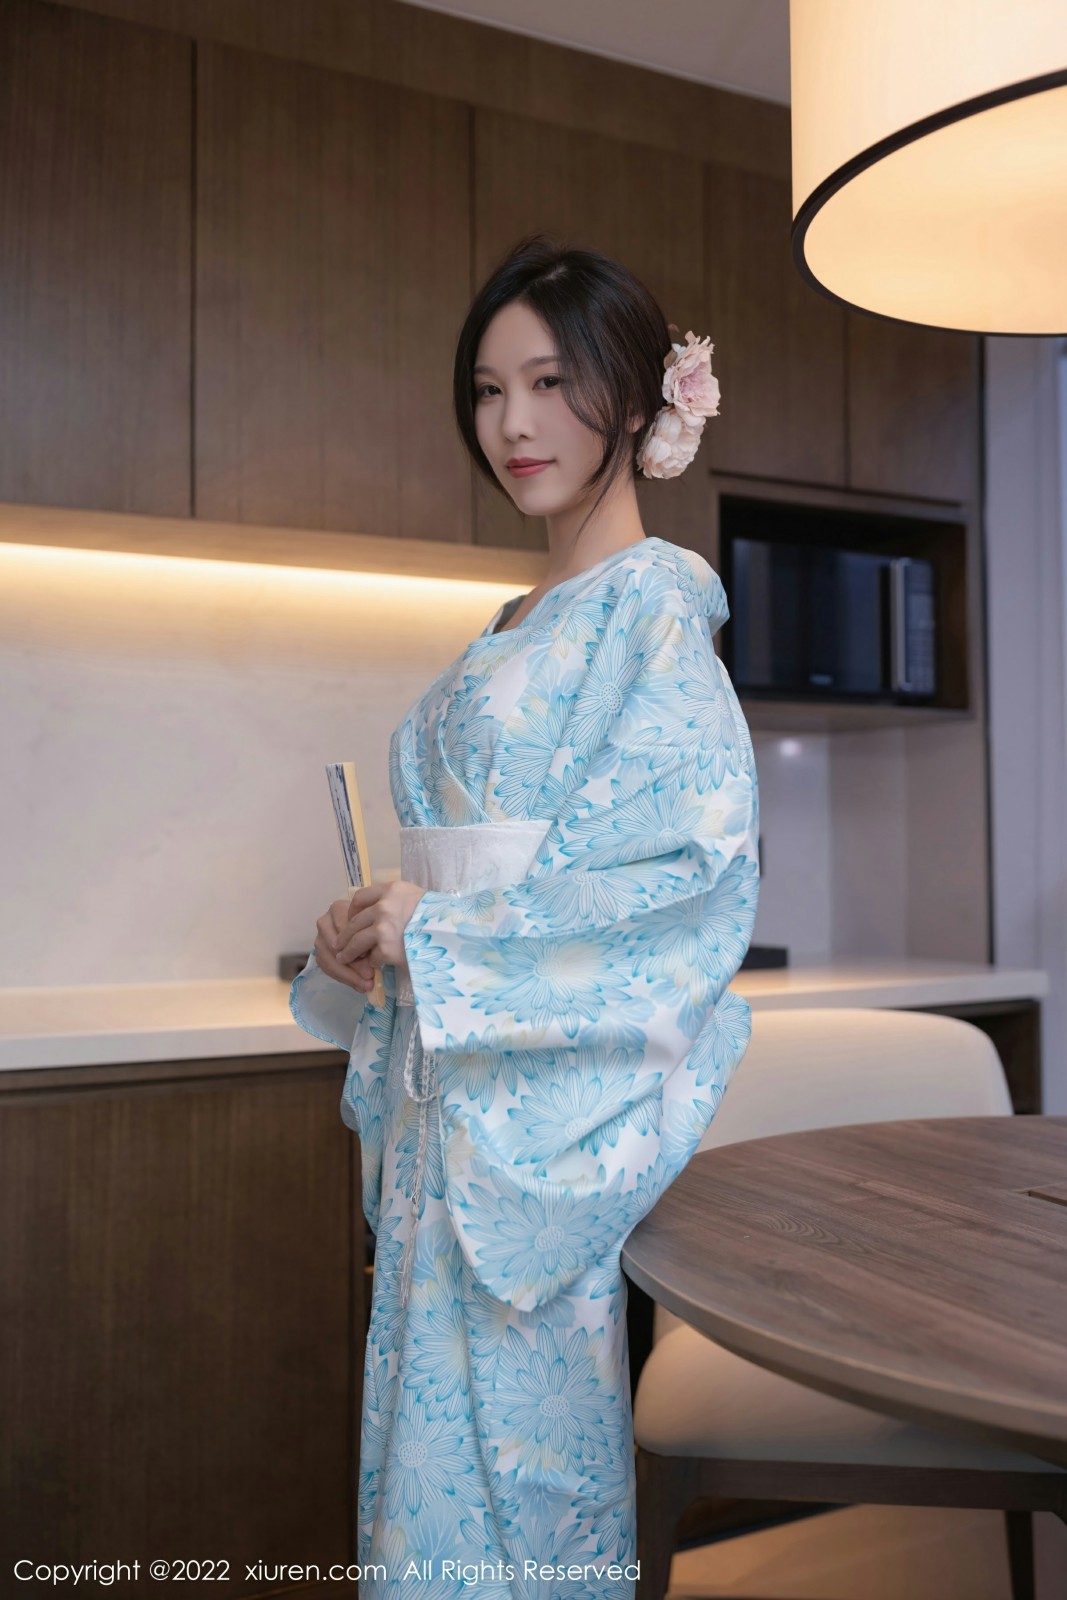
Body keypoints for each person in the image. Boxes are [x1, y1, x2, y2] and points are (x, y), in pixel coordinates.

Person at [289, 232, 760, 1600]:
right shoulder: (516, 616)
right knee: (422, 1481)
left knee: (517, 1481)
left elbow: (684, 882)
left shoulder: (652, 606)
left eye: (550, 383)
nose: (512, 423)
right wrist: (367, 942)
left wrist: (437, 938)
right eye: (489, 390)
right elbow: (476, 879)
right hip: (453, 1102)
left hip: (528, 1116)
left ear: (637, 394)